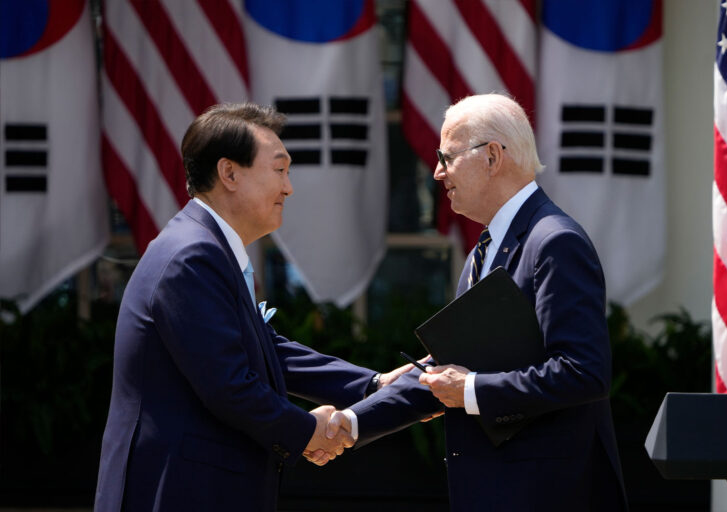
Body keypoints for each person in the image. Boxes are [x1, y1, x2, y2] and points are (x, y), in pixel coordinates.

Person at [94, 103, 412, 511]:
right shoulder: (192, 256)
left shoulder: (205, 247)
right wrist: (308, 430)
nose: (288, 187)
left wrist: (373, 385)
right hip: (178, 489)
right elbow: (229, 385)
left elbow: (266, 348)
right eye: (279, 170)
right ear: (229, 173)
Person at [325, 93, 628, 510]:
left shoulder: (554, 241)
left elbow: (583, 372)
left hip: (548, 493)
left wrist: (468, 388)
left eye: (446, 157)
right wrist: (351, 422)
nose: (436, 172)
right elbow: (448, 369)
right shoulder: (482, 251)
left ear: (491, 157)